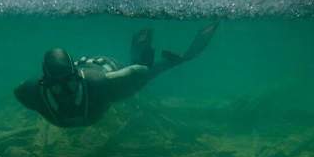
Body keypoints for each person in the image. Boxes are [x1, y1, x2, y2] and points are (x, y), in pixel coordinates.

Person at [14, 23, 219, 128]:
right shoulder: (32, 92)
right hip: (83, 70)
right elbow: (20, 90)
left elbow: (135, 73)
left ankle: (145, 46)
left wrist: (144, 66)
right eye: (57, 87)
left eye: (69, 85)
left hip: (104, 67)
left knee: (143, 73)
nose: (64, 94)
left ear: (76, 78)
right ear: (45, 84)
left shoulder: (101, 85)